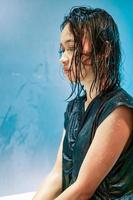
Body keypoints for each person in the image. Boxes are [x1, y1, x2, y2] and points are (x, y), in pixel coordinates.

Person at [33, 6, 133, 200]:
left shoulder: (119, 110)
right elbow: (57, 176)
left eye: (71, 48)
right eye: (62, 50)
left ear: (104, 49)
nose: (62, 58)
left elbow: (82, 189)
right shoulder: (75, 108)